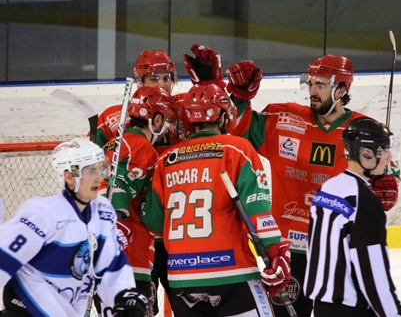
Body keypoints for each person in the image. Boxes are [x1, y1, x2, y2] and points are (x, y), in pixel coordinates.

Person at [224, 55, 401, 316]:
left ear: (341, 90)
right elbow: (236, 127)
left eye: (322, 84)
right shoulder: (283, 119)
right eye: (311, 83)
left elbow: (387, 186)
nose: (313, 90)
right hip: (288, 252)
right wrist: (239, 96)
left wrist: (385, 189)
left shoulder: (364, 131)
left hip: (339, 251)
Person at [140, 83, 291, 317]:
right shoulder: (238, 149)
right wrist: (276, 250)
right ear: (223, 116)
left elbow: (154, 222)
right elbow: (257, 207)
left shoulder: (166, 160)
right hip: (232, 272)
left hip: (182, 279)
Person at [0, 138, 147, 317]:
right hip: (27, 310)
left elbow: (111, 263)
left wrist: (123, 295)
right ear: (69, 176)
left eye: (100, 168)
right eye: (90, 170)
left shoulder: (102, 211)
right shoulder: (43, 213)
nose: (98, 177)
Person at [304, 117, 401, 316]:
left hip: (322, 308)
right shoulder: (364, 200)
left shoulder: (328, 188)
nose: (389, 158)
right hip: (353, 310)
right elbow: (372, 270)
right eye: (384, 150)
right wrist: (394, 313)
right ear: (366, 153)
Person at [98, 86, 176, 316]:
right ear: (157, 119)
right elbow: (116, 189)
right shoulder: (143, 147)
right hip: (130, 255)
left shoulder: (111, 145)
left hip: (104, 258)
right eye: (167, 120)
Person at [95, 49, 178, 149]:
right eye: (154, 79)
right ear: (140, 81)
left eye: (166, 78)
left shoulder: (182, 109)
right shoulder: (112, 117)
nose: (162, 85)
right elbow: (89, 156)